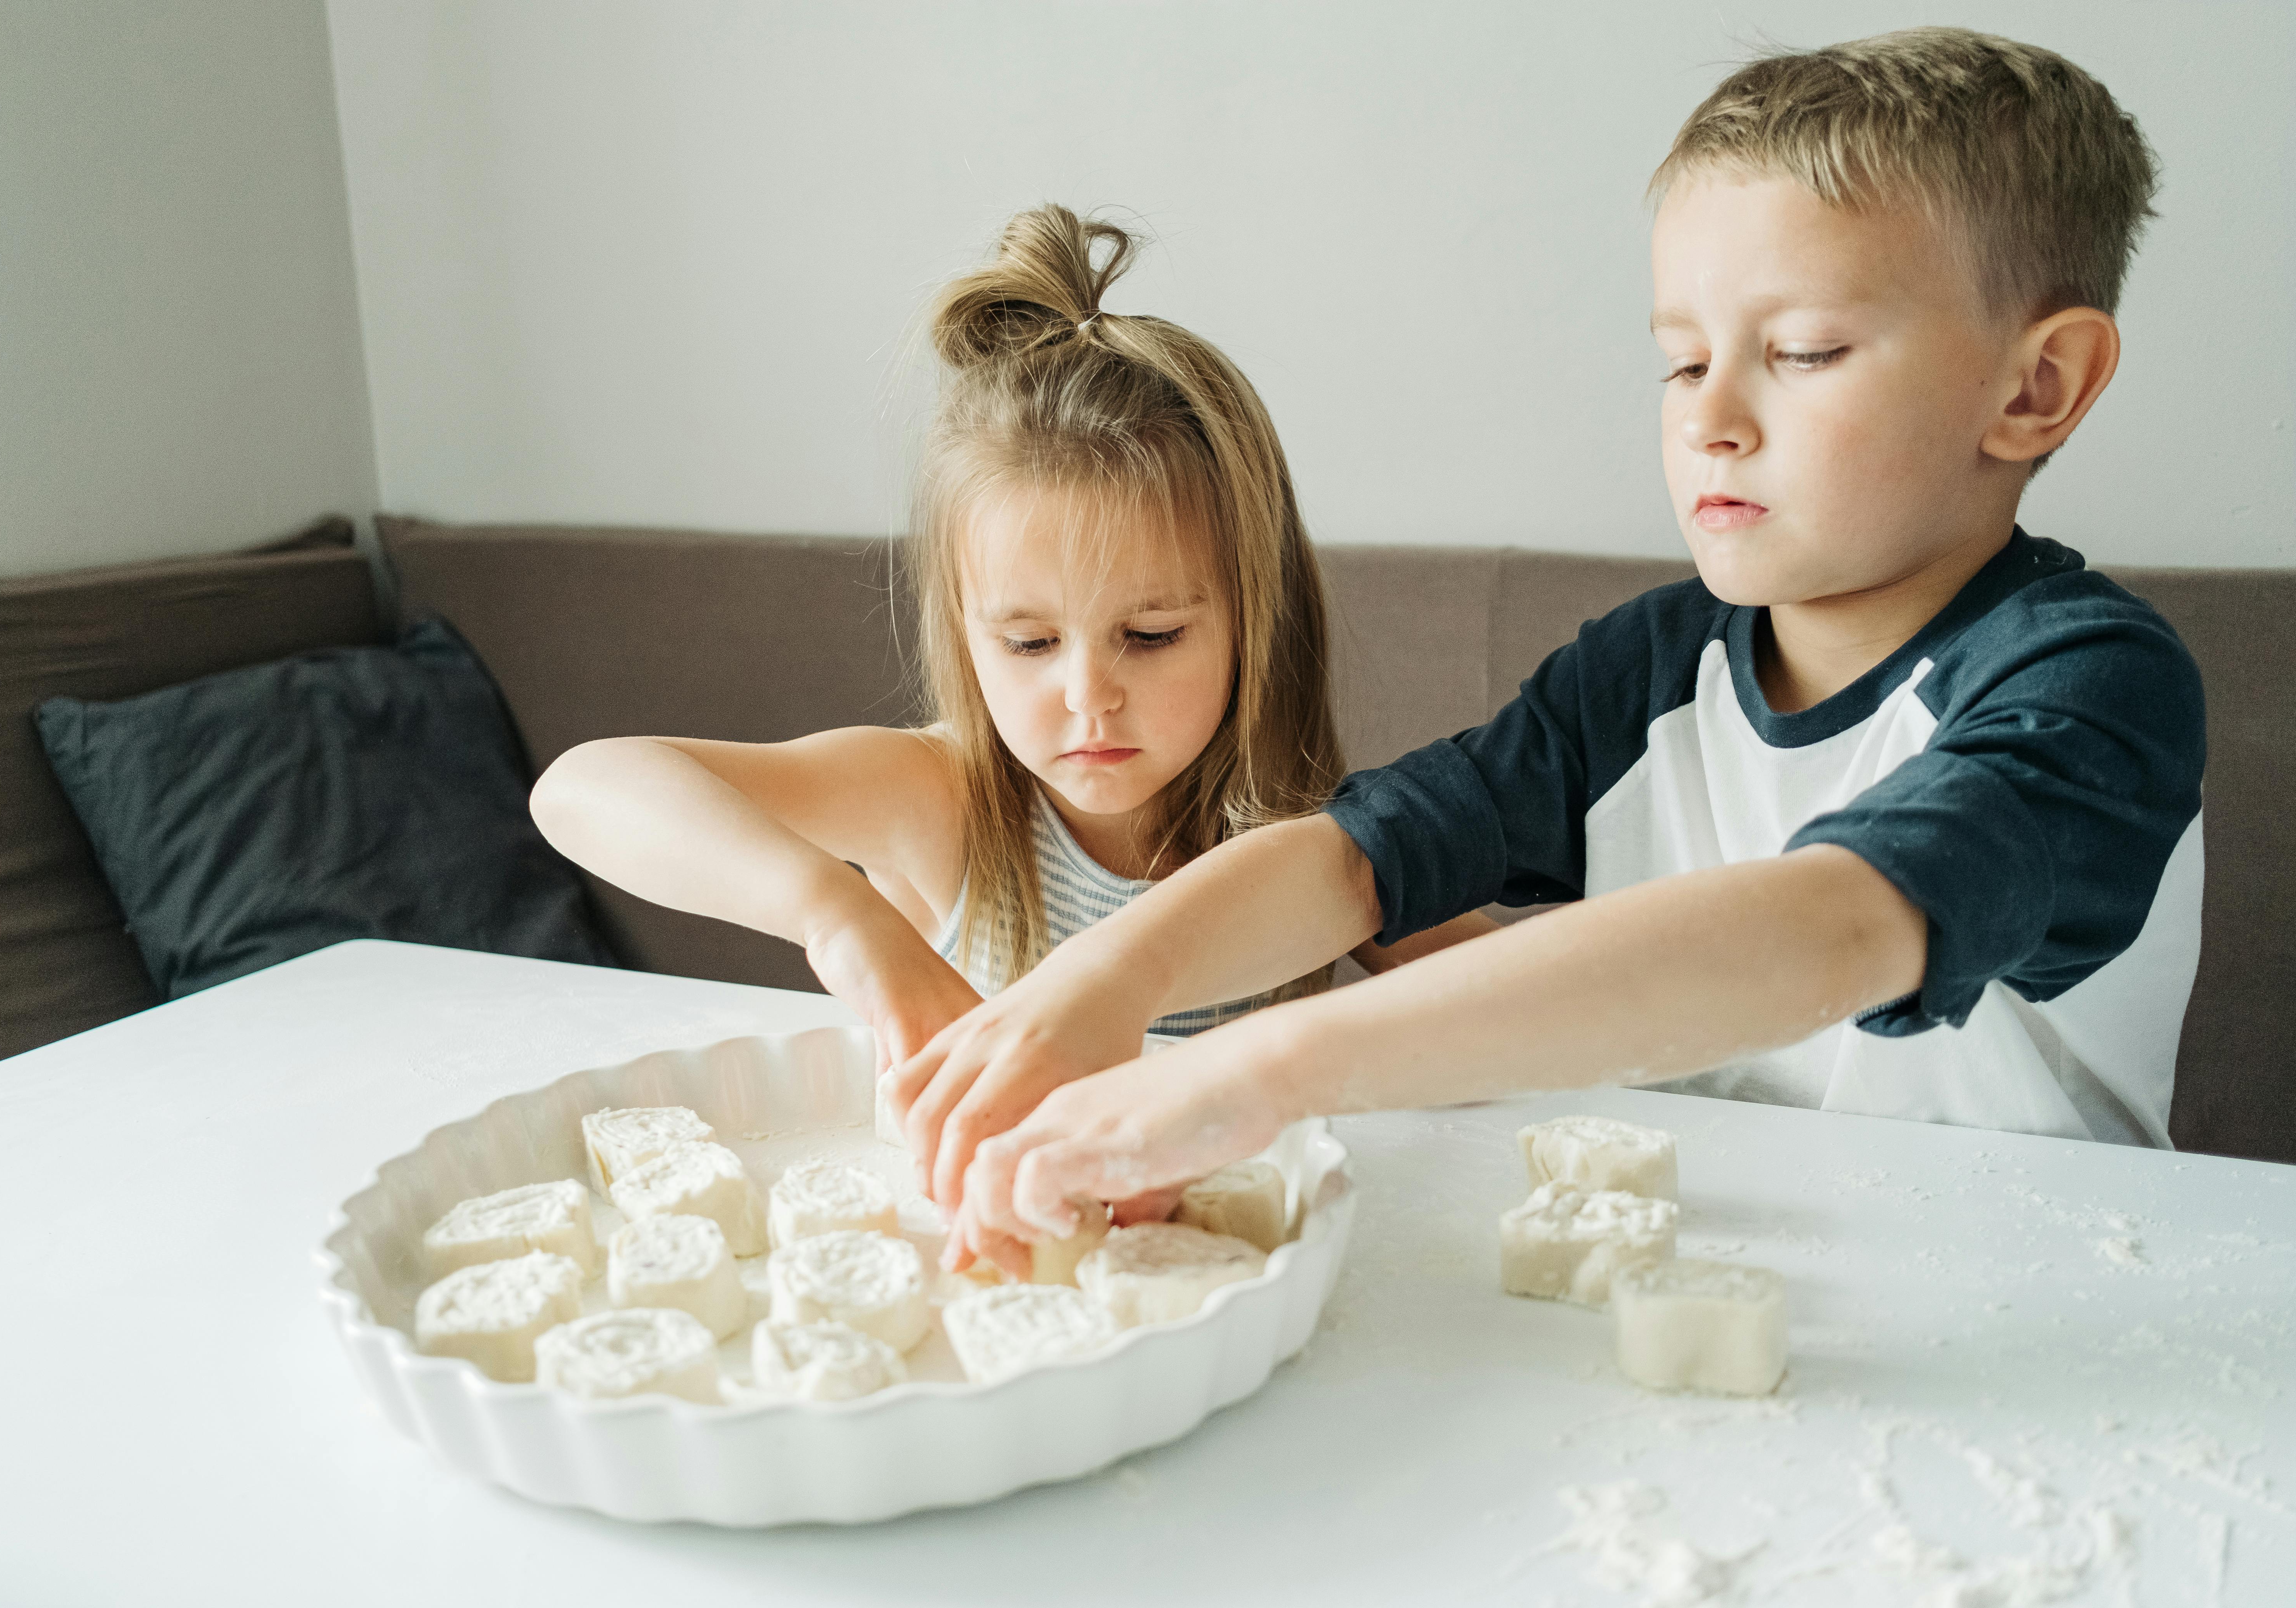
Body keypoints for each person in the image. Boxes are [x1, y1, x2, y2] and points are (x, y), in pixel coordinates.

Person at [897, 28, 2207, 1277]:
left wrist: (1256, 1070)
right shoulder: (1647, 670)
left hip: (2038, 1312)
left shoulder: (2093, 690)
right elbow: (1360, 859)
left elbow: (1829, 930)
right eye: (1683, 364)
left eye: (1802, 352)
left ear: (2036, 388)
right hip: (1706, 1289)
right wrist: (1109, 983)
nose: (1714, 420)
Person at [531, 203, 1481, 1215]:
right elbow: (580, 790)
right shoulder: (942, 801)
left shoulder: (1313, 853)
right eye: (1028, 644)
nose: (1087, 698)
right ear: (964, 630)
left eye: (1151, 635)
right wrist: (839, 917)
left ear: (1260, 618)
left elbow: (1541, 1007)